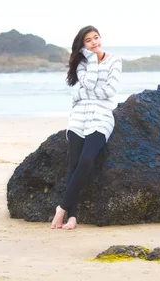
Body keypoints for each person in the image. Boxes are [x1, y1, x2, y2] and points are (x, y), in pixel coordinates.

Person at [51, 25, 122, 230]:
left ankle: (62, 209)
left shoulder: (114, 60)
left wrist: (83, 93)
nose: (94, 43)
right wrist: (91, 59)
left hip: (101, 116)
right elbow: (88, 84)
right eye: (88, 41)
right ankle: (72, 217)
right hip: (79, 116)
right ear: (83, 45)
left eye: (96, 38)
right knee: (73, 164)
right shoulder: (83, 63)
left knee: (86, 160)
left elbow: (109, 91)